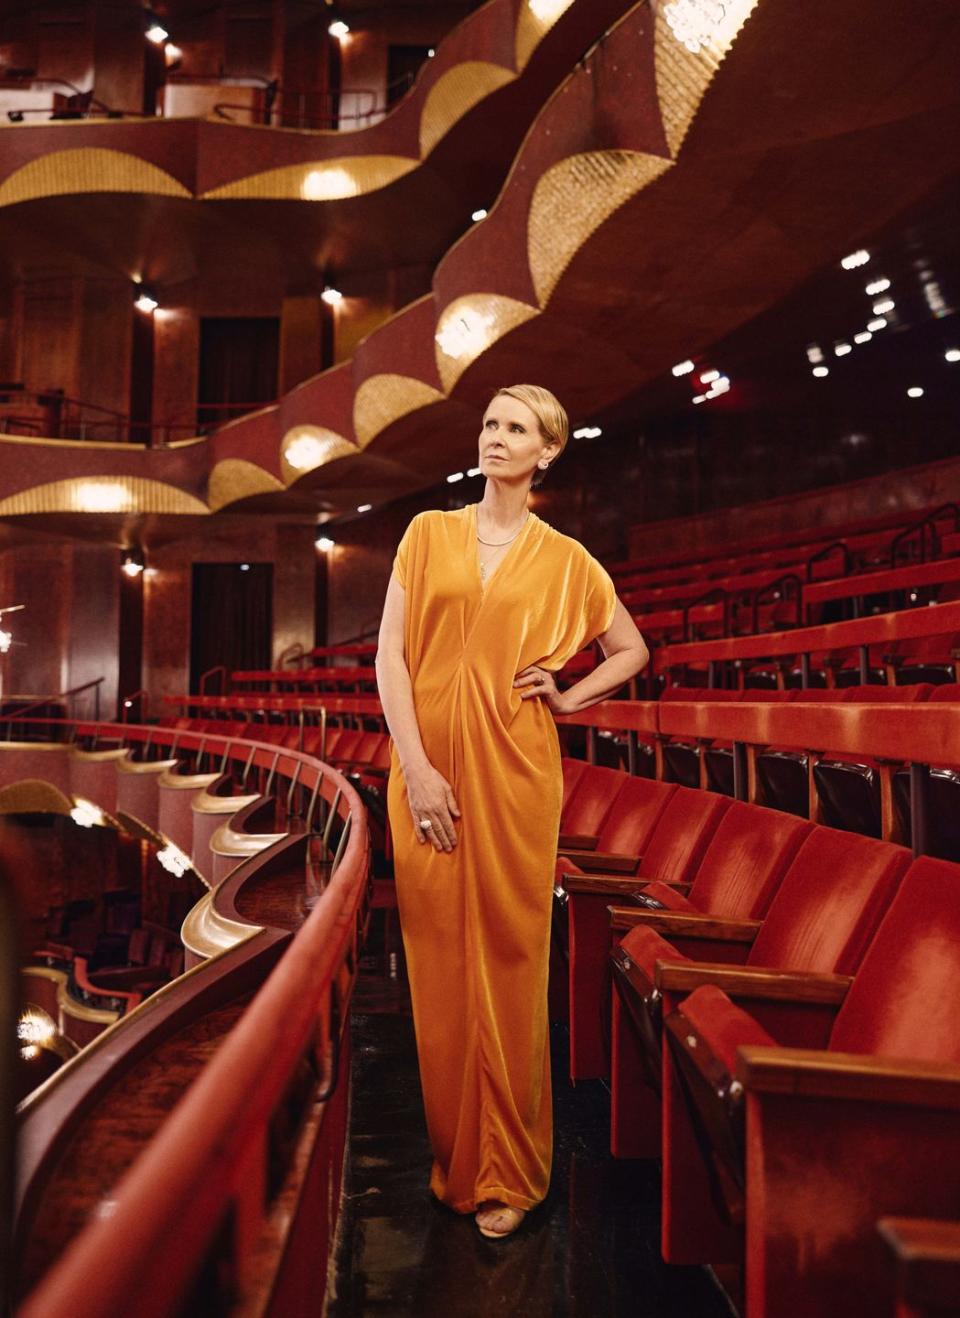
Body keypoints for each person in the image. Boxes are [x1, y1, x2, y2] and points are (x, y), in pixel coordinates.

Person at [375, 384, 649, 1239]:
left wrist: (569, 698)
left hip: (518, 773)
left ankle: (513, 1171)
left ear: (548, 451)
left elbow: (632, 648)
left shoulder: (569, 560)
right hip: (424, 777)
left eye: (516, 429)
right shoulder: (428, 534)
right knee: (441, 967)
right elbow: (390, 652)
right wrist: (414, 766)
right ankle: (459, 1158)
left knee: (510, 962)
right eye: (490, 424)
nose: (496, 437)